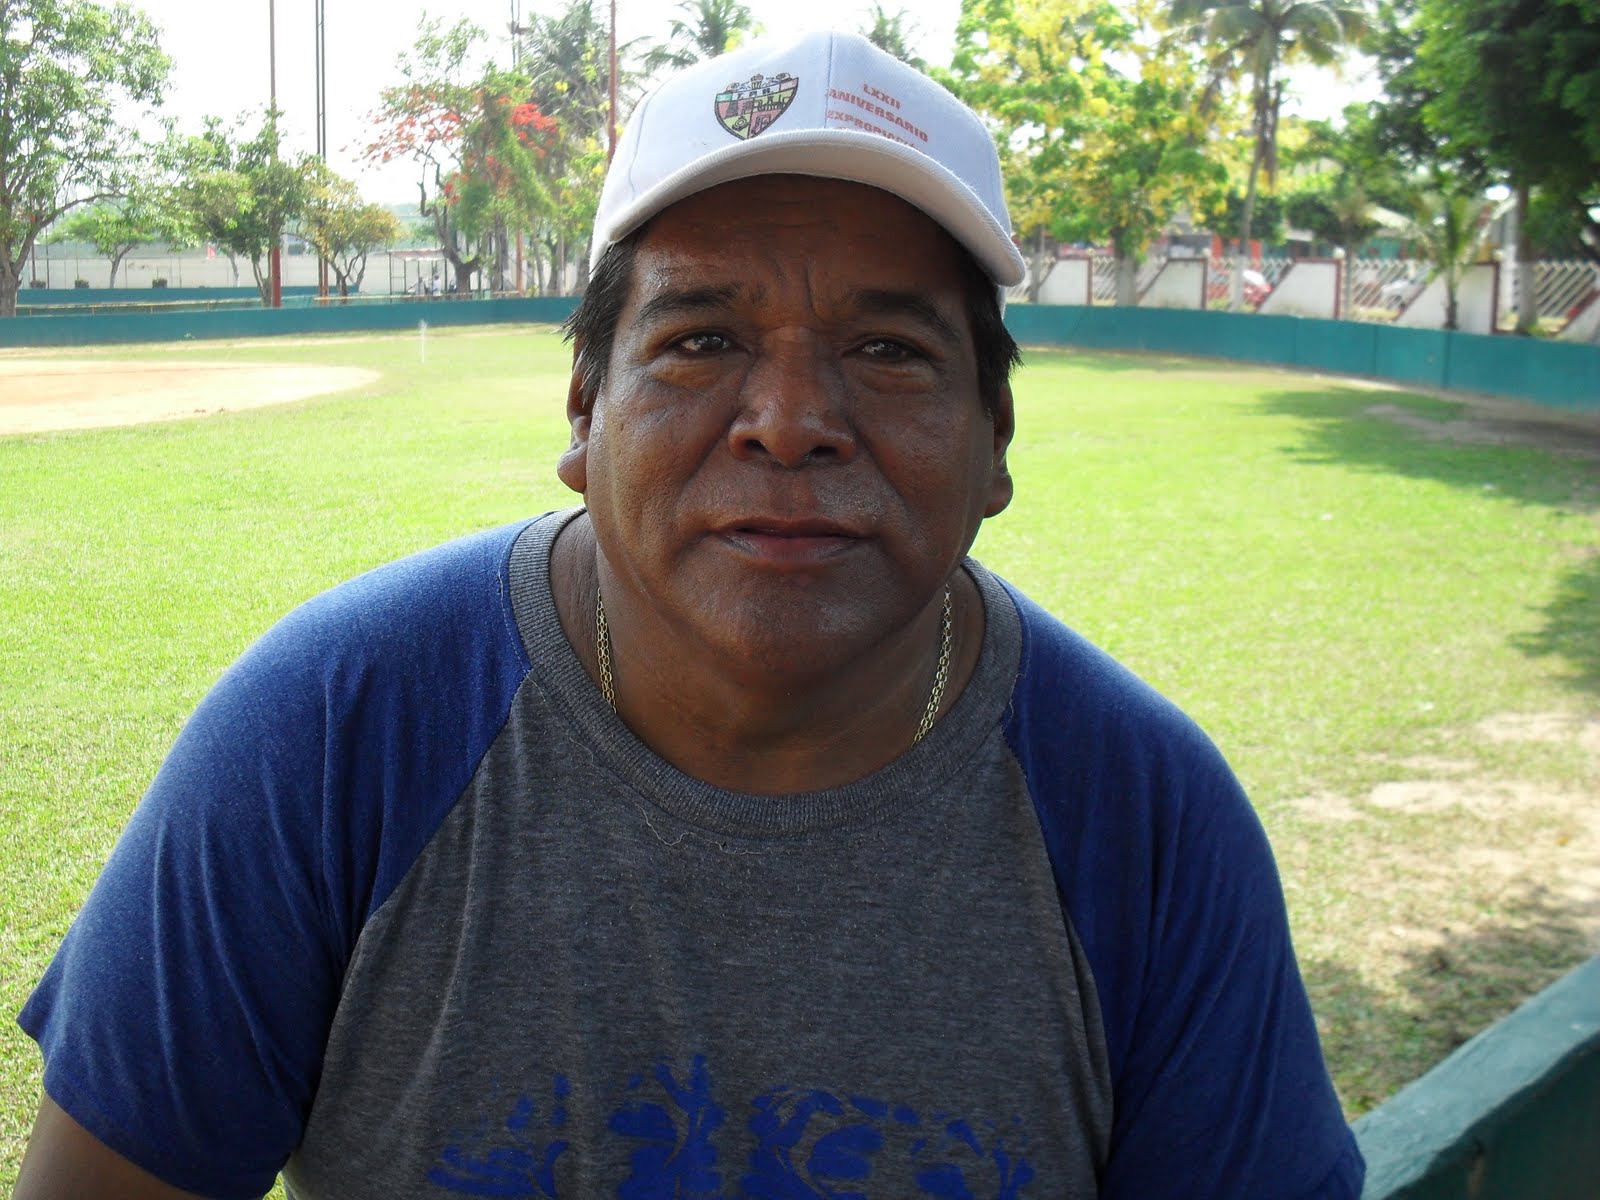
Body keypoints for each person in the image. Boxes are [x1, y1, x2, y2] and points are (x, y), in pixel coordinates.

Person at [15, 30, 1364, 1200]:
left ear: (995, 438)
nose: (791, 420)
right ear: (585, 411)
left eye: (889, 349)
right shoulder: (331, 732)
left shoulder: (1148, 819)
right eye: (702, 339)